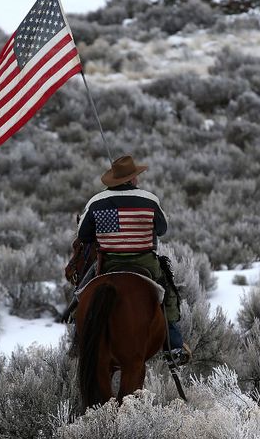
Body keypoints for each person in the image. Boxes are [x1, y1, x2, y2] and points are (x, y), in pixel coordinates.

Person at [74, 155, 190, 365]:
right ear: (132, 178)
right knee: (168, 293)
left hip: (109, 263)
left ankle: (77, 337)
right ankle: (174, 347)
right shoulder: (149, 199)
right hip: (145, 261)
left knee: (82, 292)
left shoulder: (96, 201)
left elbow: (83, 235)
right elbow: (162, 229)